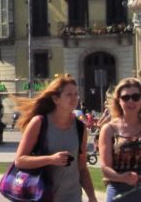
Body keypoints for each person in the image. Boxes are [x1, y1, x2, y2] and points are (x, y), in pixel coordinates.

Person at [14, 74, 97, 202]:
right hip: (41, 195)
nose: (74, 99)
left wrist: (92, 197)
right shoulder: (40, 123)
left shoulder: (80, 127)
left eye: (76, 94)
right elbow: (20, 160)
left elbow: (82, 167)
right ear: (56, 99)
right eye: (69, 95)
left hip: (72, 196)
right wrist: (50, 159)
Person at [99, 77, 141, 201]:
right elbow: (105, 169)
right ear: (118, 100)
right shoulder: (109, 129)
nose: (131, 101)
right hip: (118, 192)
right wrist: (123, 177)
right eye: (125, 97)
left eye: (136, 97)